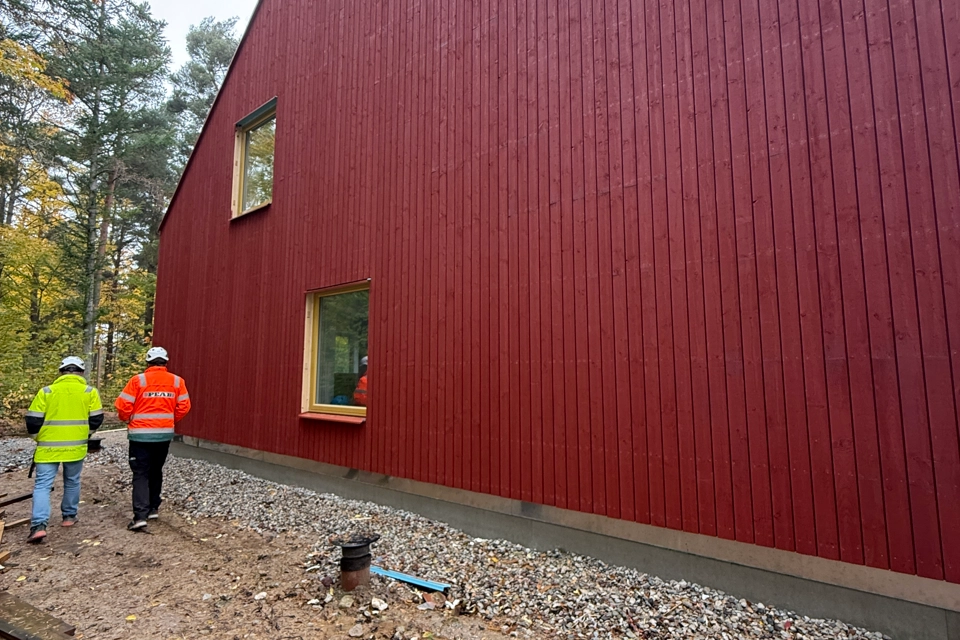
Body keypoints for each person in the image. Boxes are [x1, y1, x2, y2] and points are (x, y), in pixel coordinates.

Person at [24, 356, 104, 543]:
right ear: (81, 372)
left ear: (61, 372)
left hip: (47, 448)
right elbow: (97, 419)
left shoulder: (46, 391)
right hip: (76, 447)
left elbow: (32, 421)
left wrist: (38, 438)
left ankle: (39, 525)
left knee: (42, 485)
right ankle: (69, 517)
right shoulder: (89, 391)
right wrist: (86, 434)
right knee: (72, 481)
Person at [114, 346, 191, 531]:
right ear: (165, 361)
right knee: (156, 470)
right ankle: (153, 508)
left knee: (141, 473)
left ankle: (140, 515)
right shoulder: (177, 381)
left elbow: (123, 405)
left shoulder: (138, 380)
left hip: (140, 436)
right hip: (163, 435)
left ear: (148, 361)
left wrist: (128, 419)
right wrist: (170, 420)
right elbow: (184, 406)